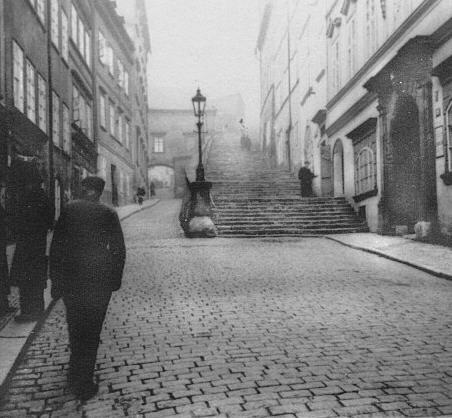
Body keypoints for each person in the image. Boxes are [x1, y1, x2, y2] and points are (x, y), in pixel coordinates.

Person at [49, 176, 126, 401]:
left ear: (84, 190)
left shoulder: (69, 209)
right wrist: (115, 279)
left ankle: (75, 372)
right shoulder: (108, 213)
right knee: (92, 330)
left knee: (75, 325)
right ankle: (84, 381)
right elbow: (118, 250)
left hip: (72, 277)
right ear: (100, 192)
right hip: (98, 279)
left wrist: (55, 280)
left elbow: (56, 246)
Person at [10, 174, 52, 321]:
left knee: (26, 280)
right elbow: (50, 222)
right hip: (38, 246)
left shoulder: (26, 198)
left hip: (26, 246)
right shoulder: (45, 199)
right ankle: (37, 310)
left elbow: (16, 222)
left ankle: (27, 312)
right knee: (36, 279)